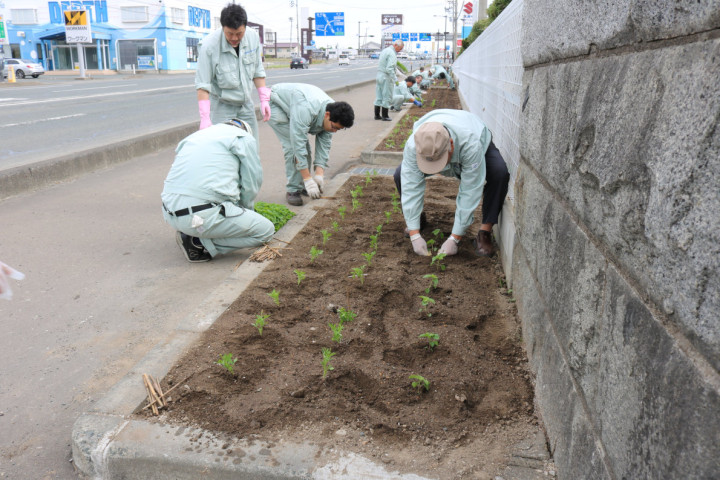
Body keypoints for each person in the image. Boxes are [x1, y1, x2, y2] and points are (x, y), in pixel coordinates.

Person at [393, 109, 510, 257]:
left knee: (499, 173)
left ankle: (484, 232)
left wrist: (455, 238)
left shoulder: (470, 144)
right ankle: (418, 220)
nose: (437, 168)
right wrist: (414, 234)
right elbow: (410, 186)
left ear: (451, 145)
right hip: (437, 142)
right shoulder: (413, 145)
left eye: (440, 161)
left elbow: (470, 189)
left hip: (475, 135)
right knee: (400, 174)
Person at [161, 119, 274, 263]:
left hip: (169, 212)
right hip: (199, 217)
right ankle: (198, 243)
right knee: (265, 231)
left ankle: (192, 233)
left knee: (207, 203)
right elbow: (251, 182)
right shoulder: (243, 138)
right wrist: (247, 211)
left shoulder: (196, 136)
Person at [266, 83, 355, 206]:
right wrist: (308, 179)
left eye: (338, 129)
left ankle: (303, 184)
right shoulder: (306, 109)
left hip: (296, 105)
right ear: (327, 115)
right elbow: (298, 145)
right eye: (334, 127)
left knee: (305, 149)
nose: (334, 131)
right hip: (276, 104)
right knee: (293, 148)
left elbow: (324, 146)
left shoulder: (333, 113)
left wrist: (319, 175)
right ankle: (293, 190)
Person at [195, 3, 271, 145]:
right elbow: (203, 85)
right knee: (223, 150)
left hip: (246, 104)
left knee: (251, 147)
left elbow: (257, 70)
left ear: (245, 27)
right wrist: (205, 117)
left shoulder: (252, 37)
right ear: (223, 27)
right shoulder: (209, 46)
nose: (235, 38)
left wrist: (264, 99)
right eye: (230, 33)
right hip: (222, 106)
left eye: (239, 33)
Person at [374, 39, 404, 121]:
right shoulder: (392, 54)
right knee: (387, 96)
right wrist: (395, 79)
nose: (400, 50)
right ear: (396, 45)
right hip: (386, 77)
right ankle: (385, 115)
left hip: (379, 75)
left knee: (379, 96)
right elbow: (389, 68)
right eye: (400, 48)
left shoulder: (385, 50)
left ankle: (377, 115)